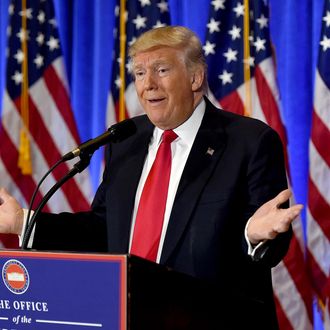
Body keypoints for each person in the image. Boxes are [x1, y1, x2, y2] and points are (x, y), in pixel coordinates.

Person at [0, 26, 302, 328]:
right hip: (128, 317)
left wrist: (251, 234)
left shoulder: (248, 141)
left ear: (195, 77)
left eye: (161, 69)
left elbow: (268, 236)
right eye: (140, 73)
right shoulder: (125, 141)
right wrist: (23, 222)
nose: (148, 85)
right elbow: (101, 230)